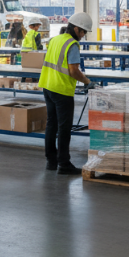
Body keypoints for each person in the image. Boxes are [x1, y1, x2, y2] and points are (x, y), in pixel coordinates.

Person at [38, 12, 94, 175]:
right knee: (64, 128)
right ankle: (64, 164)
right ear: (76, 29)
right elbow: (73, 71)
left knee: (51, 124)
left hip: (47, 86)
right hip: (61, 90)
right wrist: (88, 82)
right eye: (83, 32)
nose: (83, 36)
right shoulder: (72, 45)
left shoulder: (55, 39)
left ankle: (51, 161)